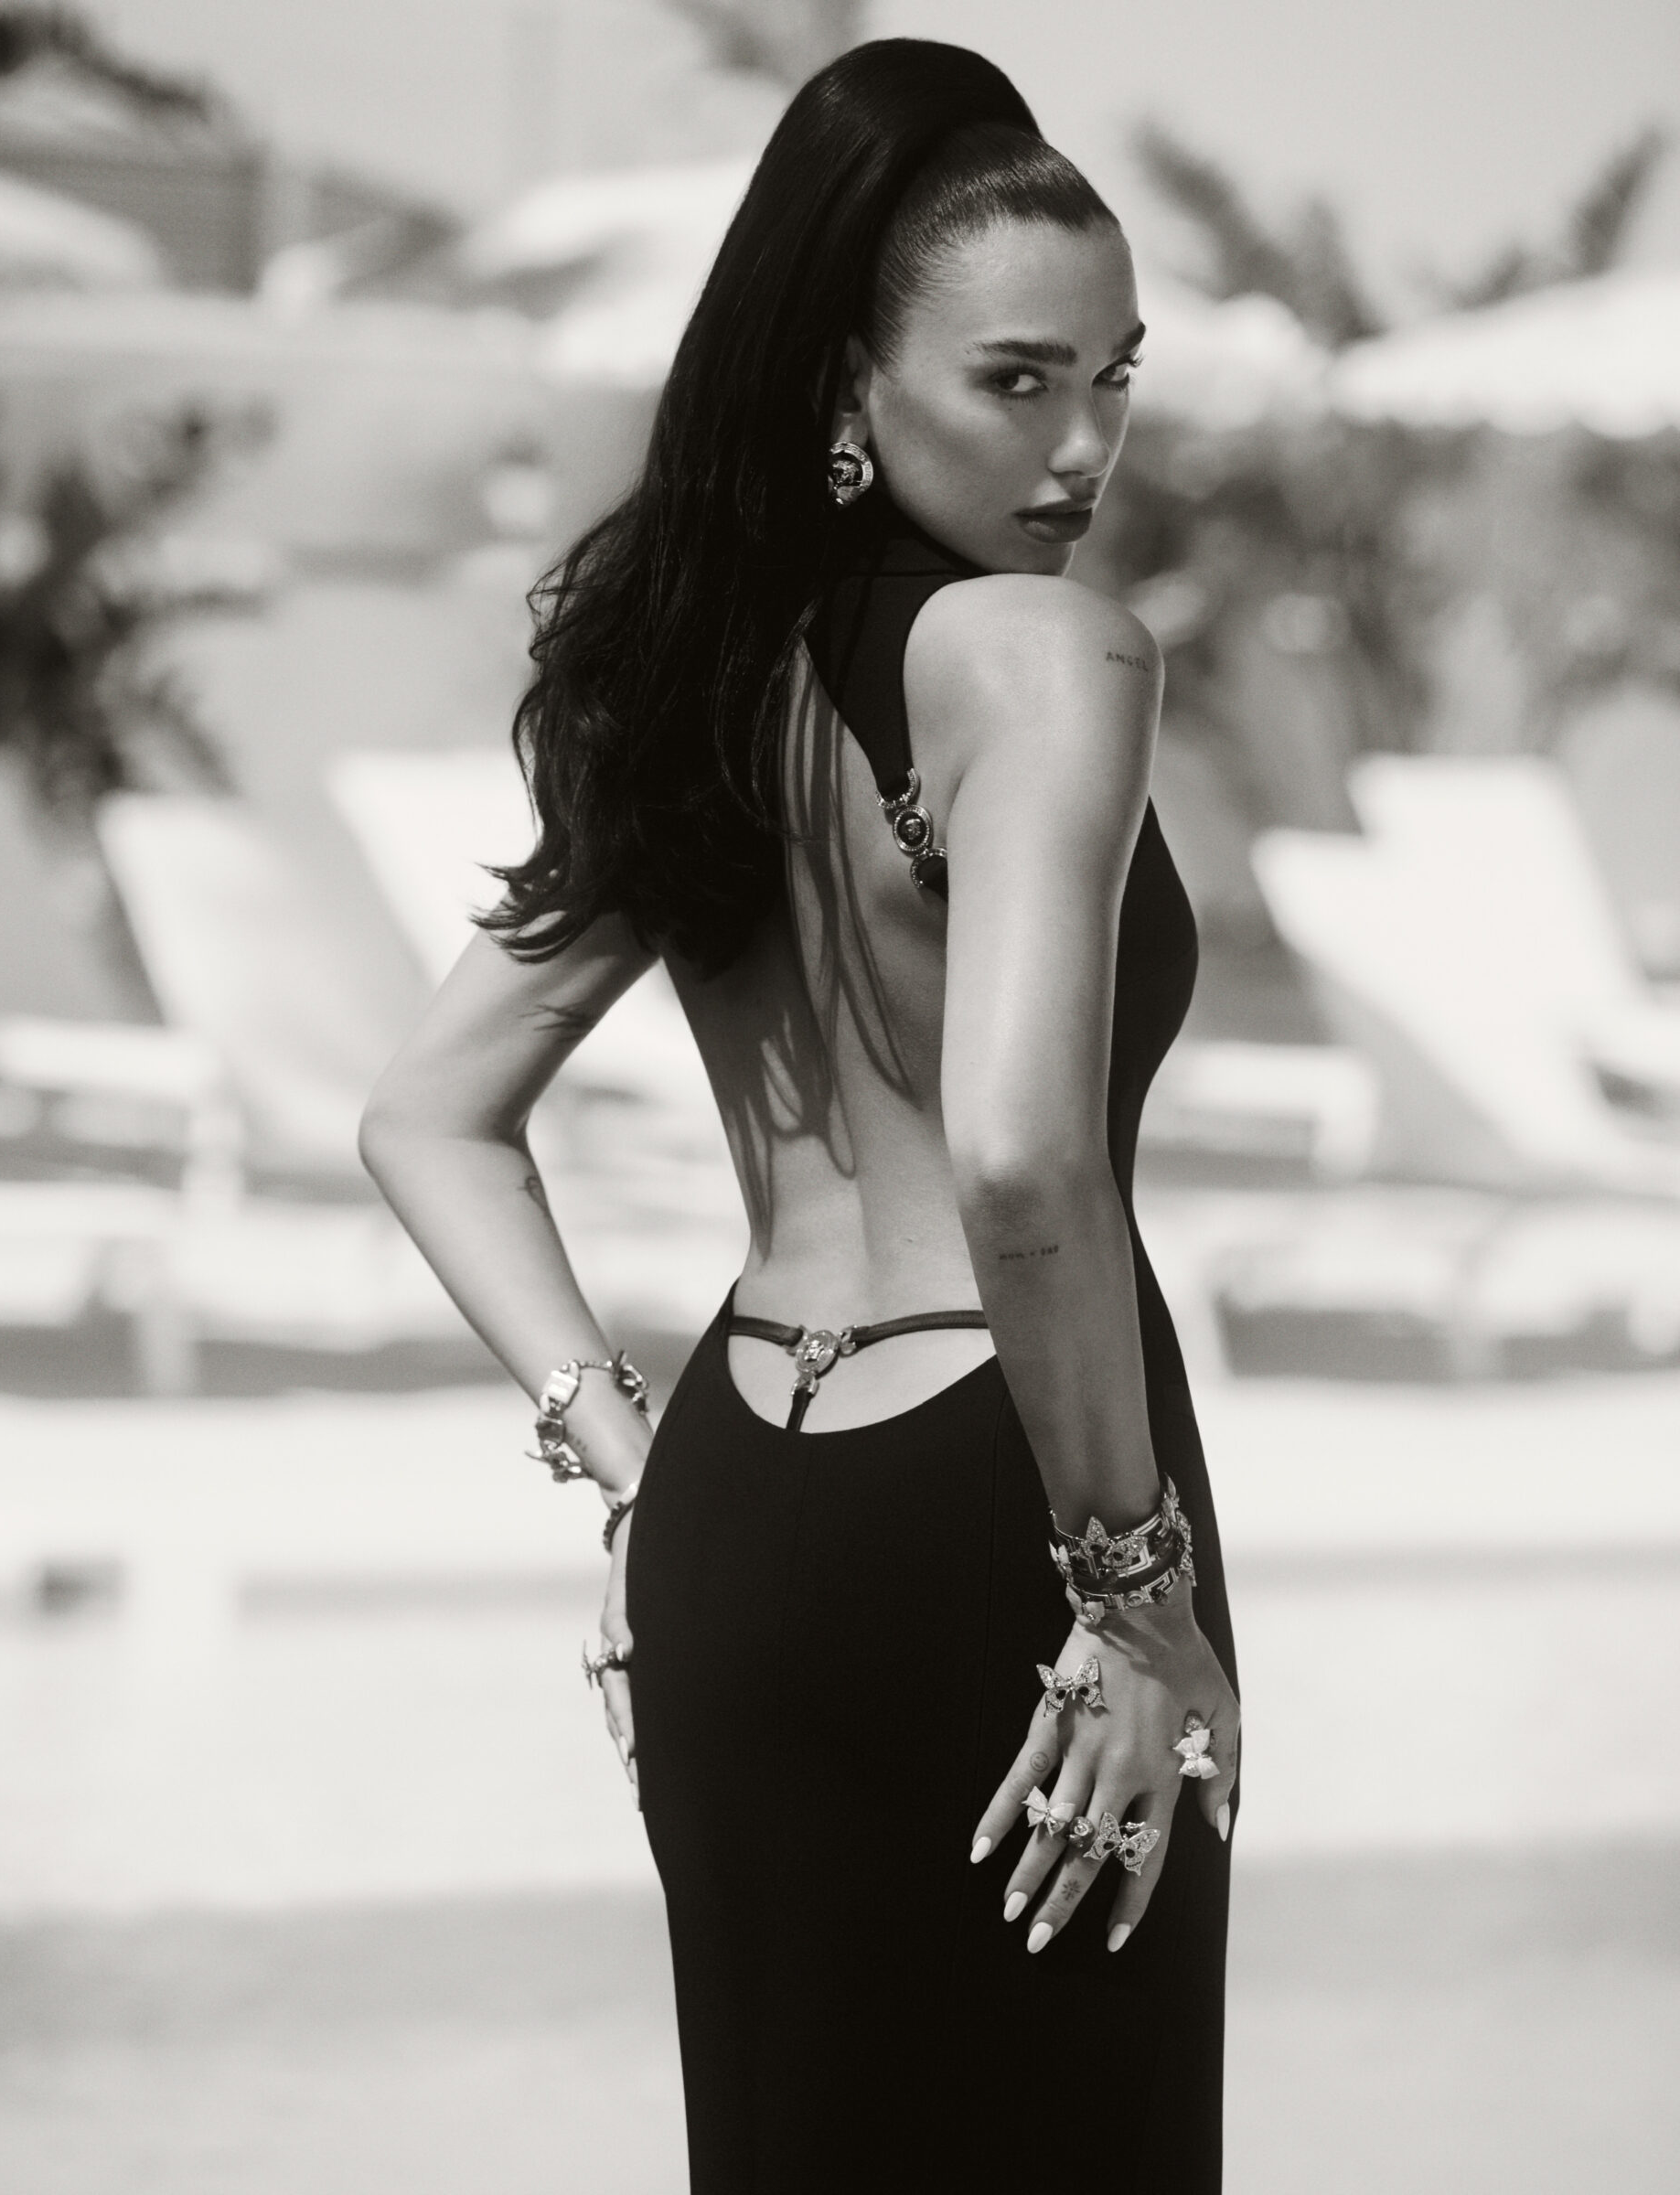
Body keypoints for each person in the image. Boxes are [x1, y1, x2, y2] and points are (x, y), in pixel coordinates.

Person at [361, 37, 1240, 2193]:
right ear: (854, 383)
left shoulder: (695, 685)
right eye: (1016, 383)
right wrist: (1132, 1591)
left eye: (1114, 380)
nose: (1083, 448)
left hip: (738, 1511)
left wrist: (630, 1470)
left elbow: (430, 1117)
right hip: (1007, 1510)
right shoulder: (1044, 657)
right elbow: (1021, 1155)